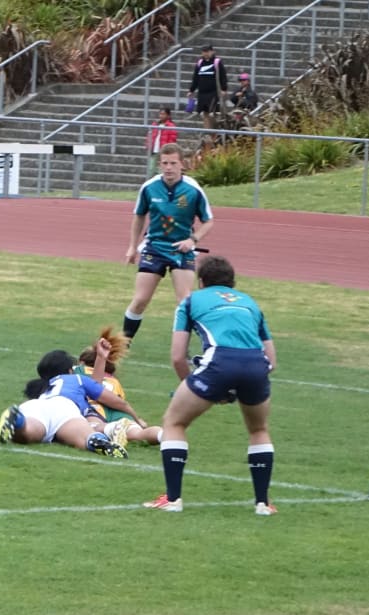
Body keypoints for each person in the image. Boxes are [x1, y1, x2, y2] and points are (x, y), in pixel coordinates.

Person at [143, 255, 278, 515]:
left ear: (201, 281)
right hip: (256, 366)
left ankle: (173, 499)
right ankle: (263, 503)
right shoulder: (250, 303)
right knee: (259, 429)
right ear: (233, 282)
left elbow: (177, 356)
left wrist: (194, 387)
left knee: (174, 422)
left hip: (219, 363)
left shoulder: (191, 301)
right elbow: (272, 361)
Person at [122, 142, 214, 341]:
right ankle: (123, 344)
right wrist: (132, 247)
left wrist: (192, 239)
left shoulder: (193, 190)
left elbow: (208, 221)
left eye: (173, 163)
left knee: (184, 302)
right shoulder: (149, 188)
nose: (168, 168)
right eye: (164, 163)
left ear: (182, 164)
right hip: (153, 248)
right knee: (140, 300)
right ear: (159, 165)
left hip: (181, 251)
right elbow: (139, 216)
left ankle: (182, 347)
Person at [0, 339, 146, 458]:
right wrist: (137, 419)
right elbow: (114, 400)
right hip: (65, 409)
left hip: (34, 406)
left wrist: (101, 358)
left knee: (27, 434)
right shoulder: (78, 379)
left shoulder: (45, 385)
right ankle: (96, 440)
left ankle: (18, 420)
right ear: (69, 370)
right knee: (84, 437)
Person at [186, 44, 228, 135]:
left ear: (212, 51)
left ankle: (213, 132)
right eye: (204, 52)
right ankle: (206, 132)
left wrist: (224, 89)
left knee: (212, 112)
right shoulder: (200, 63)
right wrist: (191, 90)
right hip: (202, 93)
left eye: (207, 51)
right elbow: (195, 78)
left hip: (213, 92)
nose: (206, 54)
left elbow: (223, 76)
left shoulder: (217, 62)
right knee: (204, 113)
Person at [146, 107, 178, 177]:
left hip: (164, 150)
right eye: (160, 114)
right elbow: (150, 136)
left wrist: (168, 149)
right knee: (151, 167)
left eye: (163, 114)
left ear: (168, 116)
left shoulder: (171, 126)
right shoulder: (155, 124)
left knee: (162, 168)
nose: (161, 116)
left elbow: (172, 139)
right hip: (154, 149)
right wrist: (149, 145)